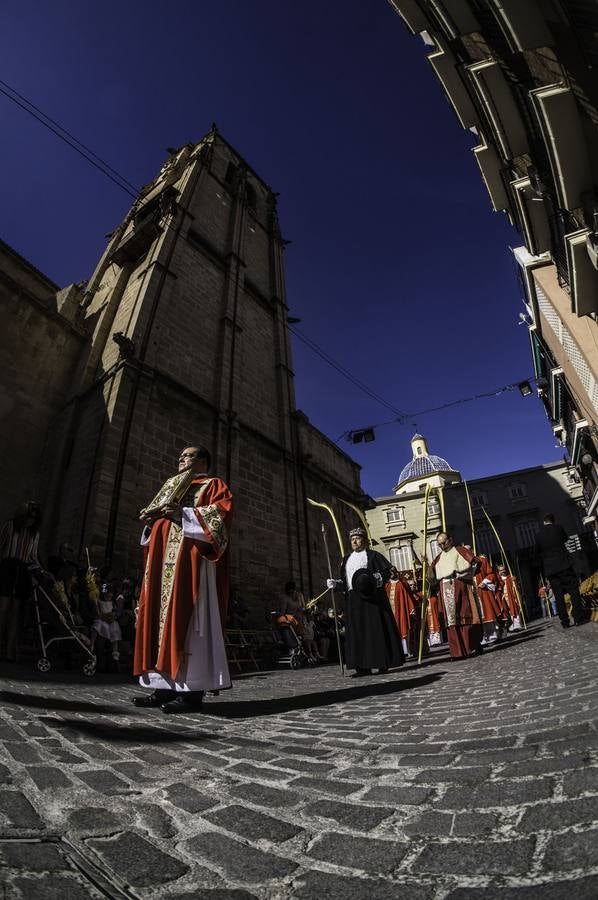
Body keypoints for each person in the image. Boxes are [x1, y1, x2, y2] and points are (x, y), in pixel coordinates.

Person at [132, 445, 233, 713]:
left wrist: (182, 515)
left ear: (203, 461)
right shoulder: (171, 487)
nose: (181, 459)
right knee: (158, 622)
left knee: (189, 625)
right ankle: (161, 688)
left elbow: (220, 519)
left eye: (187, 456)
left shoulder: (213, 485)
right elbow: (157, 528)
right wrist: (151, 522)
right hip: (162, 564)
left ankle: (190, 694)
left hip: (191, 565)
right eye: (179, 456)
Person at [327, 527, 404, 676]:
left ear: (364, 540)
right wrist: (336, 584)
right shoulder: (346, 559)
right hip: (353, 601)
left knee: (375, 630)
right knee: (358, 633)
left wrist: (373, 580)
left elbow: (387, 572)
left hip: (372, 599)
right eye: (352, 539)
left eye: (357, 538)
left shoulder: (374, 556)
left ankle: (382, 662)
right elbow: (345, 581)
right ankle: (362, 667)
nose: (354, 541)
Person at [0, 500, 42, 662]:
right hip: (8, 567)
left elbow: (33, 556)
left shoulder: (34, 534)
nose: (30, 520)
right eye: (29, 516)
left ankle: (10, 649)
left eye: (34, 518)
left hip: (23, 570)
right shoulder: (10, 526)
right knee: (3, 608)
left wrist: (42, 571)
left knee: (16, 611)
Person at [430, 532, 483, 660]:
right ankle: (457, 652)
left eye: (444, 542)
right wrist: (427, 565)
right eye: (440, 544)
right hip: (445, 588)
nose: (443, 545)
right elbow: (432, 578)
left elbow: (475, 564)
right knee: (451, 621)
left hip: (461, 586)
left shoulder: (460, 550)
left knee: (466, 616)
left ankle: (472, 646)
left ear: (451, 539)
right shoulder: (438, 558)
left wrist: (464, 575)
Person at [534, 513, 587, 628]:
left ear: (544, 522)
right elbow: (565, 539)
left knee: (558, 595)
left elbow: (537, 552)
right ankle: (578, 617)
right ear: (553, 521)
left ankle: (564, 621)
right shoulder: (558, 528)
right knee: (573, 590)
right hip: (564, 564)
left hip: (551, 569)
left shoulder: (538, 535)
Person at [386, 566, 416, 657]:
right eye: (390, 573)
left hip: (401, 611)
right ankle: (397, 653)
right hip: (391, 613)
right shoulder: (387, 585)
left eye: (393, 573)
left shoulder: (402, 584)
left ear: (396, 573)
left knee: (404, 629)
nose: (392, 575)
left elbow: (407, 597)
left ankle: (407, 651)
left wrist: (411, 608)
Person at [498, 565, 521, 631]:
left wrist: (515, 581)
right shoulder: (498, 578)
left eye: (504, 569)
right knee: (505, 613)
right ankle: (508, 627)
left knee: (513, 610)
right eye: (501, 570)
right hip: (502, 598)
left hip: (511, 597)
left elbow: (516, 587)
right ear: (499, 571)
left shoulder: (510, 577)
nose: (503, 571)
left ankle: (515, 626)